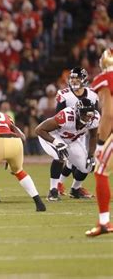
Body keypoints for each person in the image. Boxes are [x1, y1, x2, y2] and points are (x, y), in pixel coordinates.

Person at [36, 98, 99, 201]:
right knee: (60, 155)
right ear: (77, 112)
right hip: (52, 135)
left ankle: (75, 189)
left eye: (89, 115)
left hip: (71, 140)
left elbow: (93, 136)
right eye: (84, 114)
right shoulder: (66, 116)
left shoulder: (95, 118)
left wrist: (91, 155)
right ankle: (53, 191)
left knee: (87, 166)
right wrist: (56, 143)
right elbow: (39, 130)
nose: (88, 118)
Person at [55, 67, 98, 197]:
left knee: (82, 163)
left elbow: (95, 115)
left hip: (82, 133)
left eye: (77, 78)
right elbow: (57, 117)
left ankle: (68, 187)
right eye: (72, 78)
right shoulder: (64, 94)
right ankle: (65, 187)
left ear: (84, 79)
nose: (74, 80)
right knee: (71, 160)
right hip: (66, 132)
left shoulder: (92, 94)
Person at [85, 48, 113, 236]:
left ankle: (104, 222)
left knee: (101, 170)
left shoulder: (105, 79)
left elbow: (109, 114)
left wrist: (101, 144)